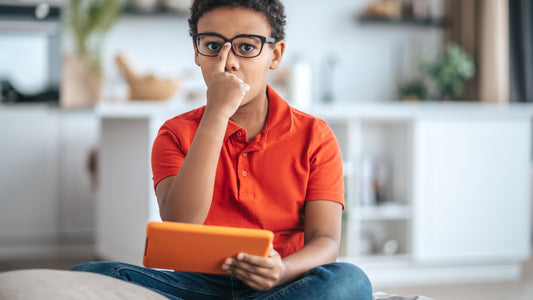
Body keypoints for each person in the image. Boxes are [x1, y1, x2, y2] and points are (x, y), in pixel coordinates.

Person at [72, 0, 372, 299]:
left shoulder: (315, 136)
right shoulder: (175, 134)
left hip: (282, 282)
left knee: (349, 281)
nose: (226, 61)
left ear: (275, 55)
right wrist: (216, 114)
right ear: (196, 53)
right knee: (88, 276)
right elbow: (182, 222)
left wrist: (282, 270)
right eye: (213, 46)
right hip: (195, 286)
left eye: (245, 47)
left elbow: (326, 240)